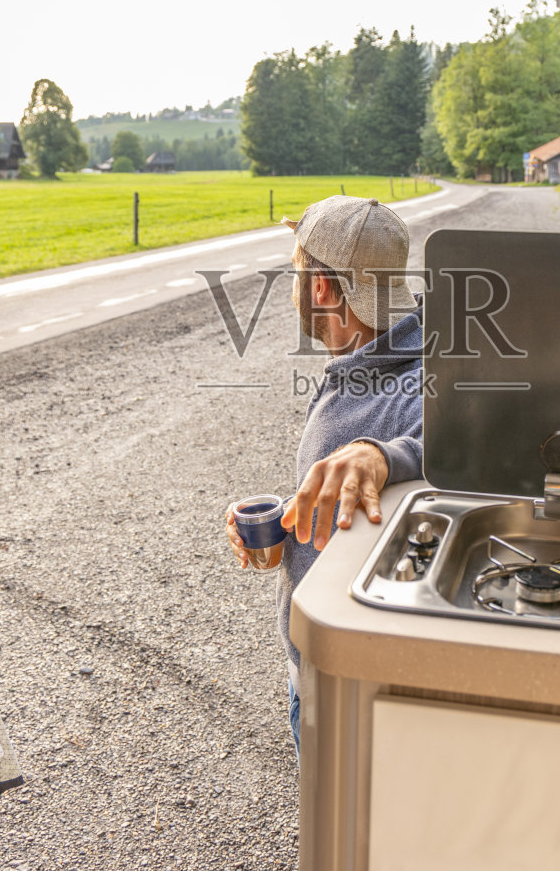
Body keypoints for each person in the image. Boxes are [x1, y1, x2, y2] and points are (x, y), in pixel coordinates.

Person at [224, 195, 423, 758]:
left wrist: (383, 455)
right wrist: (293, 518)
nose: (293, 288)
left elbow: (454, 439)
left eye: (296, 271)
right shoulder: (369, 359)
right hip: (319, 670)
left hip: (348, 688)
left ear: (323, 289)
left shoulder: (425, 377)